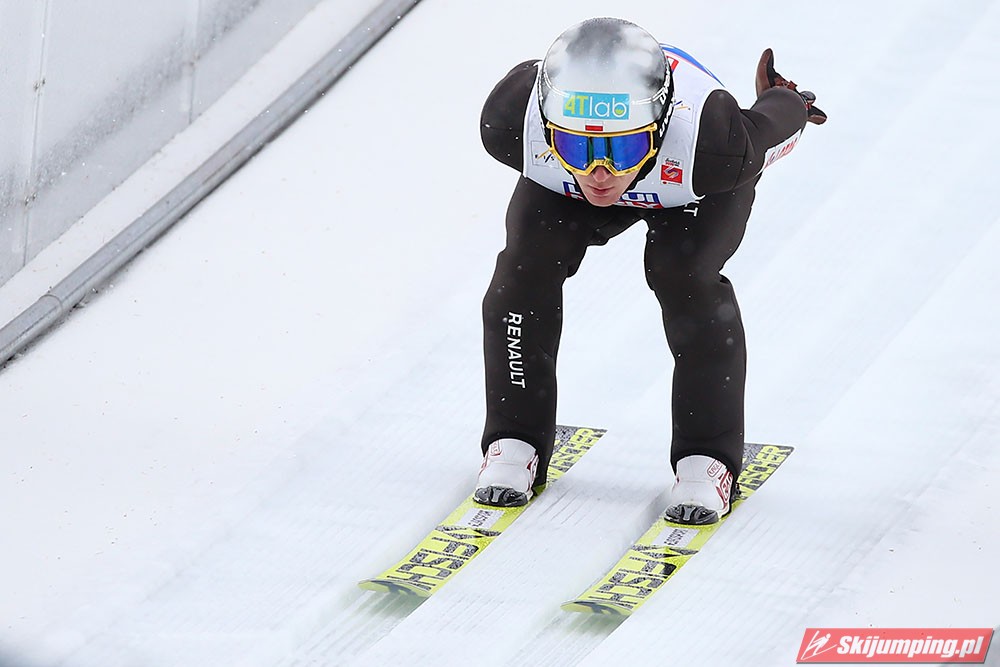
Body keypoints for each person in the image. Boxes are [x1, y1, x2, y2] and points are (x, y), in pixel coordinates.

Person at [473, 17, 825, 524]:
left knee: (683, 276)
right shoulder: (511, 119)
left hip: (688, 186)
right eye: (577, 146)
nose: (601, 175)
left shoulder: (715, 144)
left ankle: (707, 457)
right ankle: (514, 439)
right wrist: (609, 156)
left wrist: (788, 100)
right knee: (523, 268)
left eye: (623, 149)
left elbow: (771, 126)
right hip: (576, 183)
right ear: (546, 128)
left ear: (659, 129)